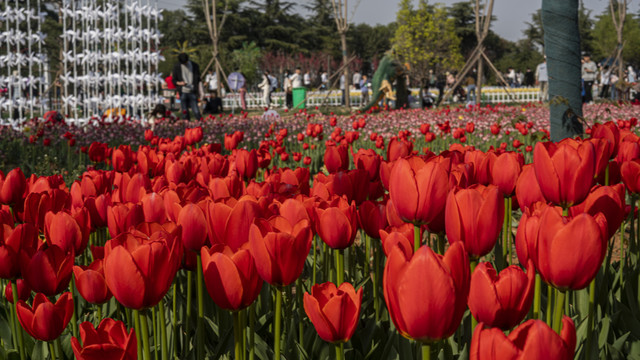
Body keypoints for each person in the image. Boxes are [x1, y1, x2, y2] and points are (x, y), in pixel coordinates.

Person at [172, 53, 202, 120]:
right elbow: (174, 80)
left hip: (192, 90)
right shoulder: (177, 67)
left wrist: (199, 90)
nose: (184, 64)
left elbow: (198, 78)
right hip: (183, 91)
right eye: (183, 63)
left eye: (185, 62)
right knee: (184, 112)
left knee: (196, 110)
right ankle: (186, 125)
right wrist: (180, 83)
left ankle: (200, 123)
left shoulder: (194, 66)